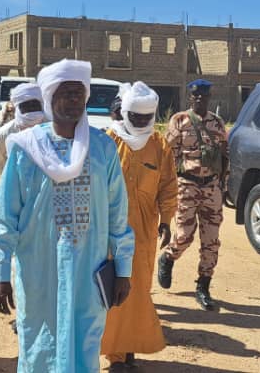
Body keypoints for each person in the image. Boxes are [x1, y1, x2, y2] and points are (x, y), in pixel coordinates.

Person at [0, 59, 135, 373]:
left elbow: (117, 213)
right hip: (38, 270)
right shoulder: (25, 148)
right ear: (49, 97)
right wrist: (0, 274)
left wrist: (123, 269)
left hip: (88, 271)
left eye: (78, 93)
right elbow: (4, 217)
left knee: (85, 344)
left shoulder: (103, 148)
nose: (73, 99)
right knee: (39, 344)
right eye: (65, 92)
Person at [101, 81, 176, 370]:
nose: (142, 122)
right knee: (112, 290)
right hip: (109, 232)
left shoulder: (159, 145)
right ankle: (115, 355)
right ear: (125, 113)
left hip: (144, 233)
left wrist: (166, 220)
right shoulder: (108, 142)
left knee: (137, 290)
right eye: (136, 117)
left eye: (147, 118)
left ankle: (128, 348)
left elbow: (168, 185)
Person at [157, 78, 229, 311]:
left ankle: (203, 286)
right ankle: (168, 257)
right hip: (187, 185)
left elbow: (224, 155)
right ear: (190, 97)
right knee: (184, 236)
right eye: (195, 95)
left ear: (209, 97)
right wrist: (166, 187)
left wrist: (223, 185)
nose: (199, 99)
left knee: (211, 241)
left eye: (204, 95)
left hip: (211, 187)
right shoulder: (179, 120)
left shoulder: (217, 123)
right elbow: (167, 155)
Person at [0, 82, 46, 172]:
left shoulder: (54, 128)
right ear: (18, 107)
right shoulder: (5, 132)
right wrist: (11, 175)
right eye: (26, 105)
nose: (31, 108)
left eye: (34, 105)